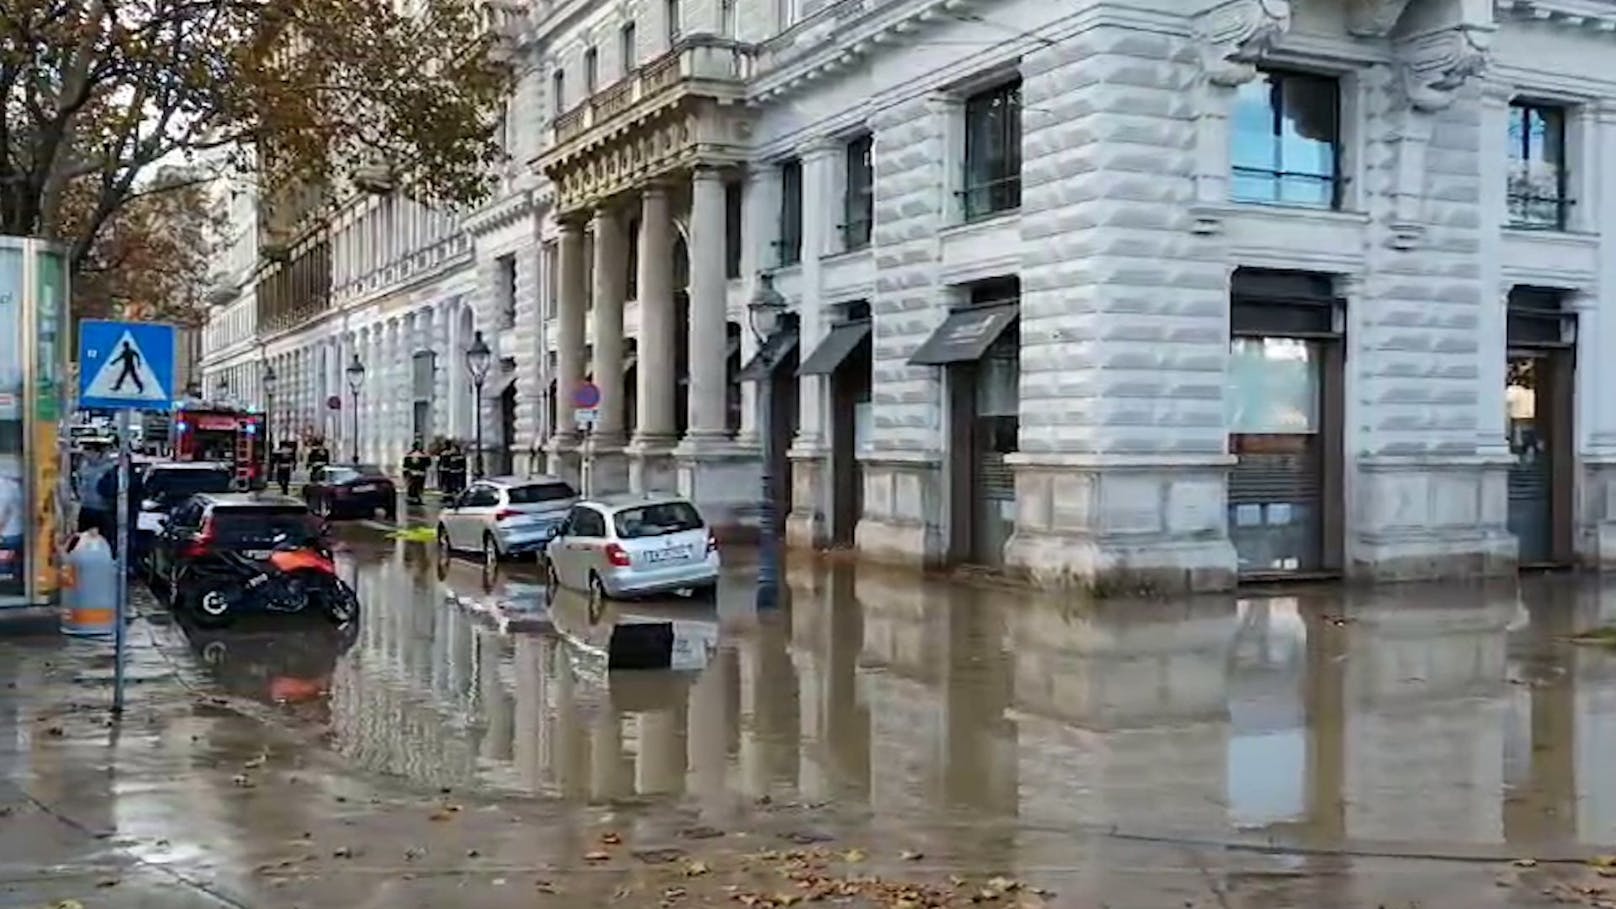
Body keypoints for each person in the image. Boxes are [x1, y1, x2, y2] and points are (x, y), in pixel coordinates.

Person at [75, 444, 114, 535]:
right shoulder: (84, 465)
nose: (86, 454)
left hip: (103, 510)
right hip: (86, 507)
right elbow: (79, 482)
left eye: (89, 451)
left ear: (98, 453)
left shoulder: (109, 468)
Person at [402, 440, 431, 505]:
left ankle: (411, 499)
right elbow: (428, 464)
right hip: (421, 473)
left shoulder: (409, 454)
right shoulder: (424, 455)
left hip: (412, 473)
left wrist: (405, 474)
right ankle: (418, 499)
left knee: (411, 487)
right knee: (419, 487)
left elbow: (405, 465)